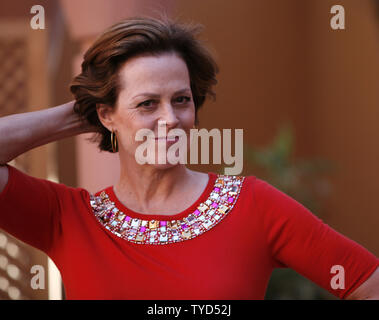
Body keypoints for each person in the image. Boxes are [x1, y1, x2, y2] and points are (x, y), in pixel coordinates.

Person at [0, 16, 378, 300]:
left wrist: (123, 110)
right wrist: (78, 113)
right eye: (147, 103)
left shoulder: (254, 205)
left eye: (181, 100)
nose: (170, 118)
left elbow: (367, 282)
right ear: (105, 115)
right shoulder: (66, 218)